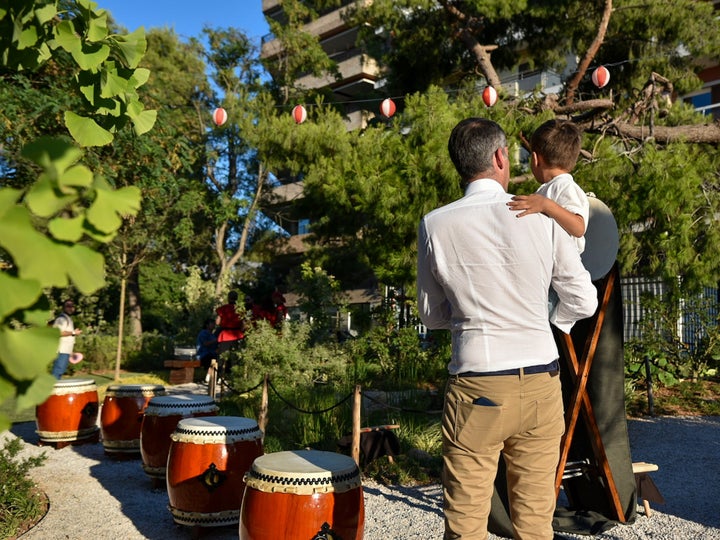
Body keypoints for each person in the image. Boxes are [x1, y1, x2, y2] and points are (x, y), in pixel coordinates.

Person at [416, 118, 598, 539]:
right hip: (539, 381)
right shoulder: (541, 213)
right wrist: (542, 320)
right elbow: (583, 301)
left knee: (466, 525)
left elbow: (430, 314)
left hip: (476, 382)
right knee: (536, 524)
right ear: (500, 157)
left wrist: (466, 322)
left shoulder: (436, 223)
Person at [506, 119, 589, 254]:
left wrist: (546, 205)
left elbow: (578, 227)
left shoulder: (564, 186)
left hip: (566, 271)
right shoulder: (549, 188)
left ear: (535, 159)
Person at [215, 290, 245, 379]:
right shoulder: (240, 309)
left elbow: (217, 322)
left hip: (225, 335)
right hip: (237, 335)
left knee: (222, 357)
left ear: (228, 298)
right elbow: (244, 324)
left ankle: (220, 376)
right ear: (237, 298)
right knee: (235, 357)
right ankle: (234, 377)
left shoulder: (223, 308)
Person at [51, 299, 82, 379]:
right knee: (58, 371)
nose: (70, 308)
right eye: (68, 306)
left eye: (72, 306)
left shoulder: (68, 319)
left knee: (60, 372)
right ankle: (51, 390)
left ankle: (55, 390)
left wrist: (71, 352)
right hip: (61, 350)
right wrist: (73, 333)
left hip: (66, 351)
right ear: (63, 308)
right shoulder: (61, 319)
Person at [196, 318, 218, 383]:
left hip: (212, 353)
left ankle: (219, 377)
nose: (213, 325)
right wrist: (215, 341)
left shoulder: (212, 334)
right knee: (211, 358)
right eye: (212, 323)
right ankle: (208, 376)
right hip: (203, 354)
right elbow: (205, 343)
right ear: (207, 325)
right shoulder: (203, 333)